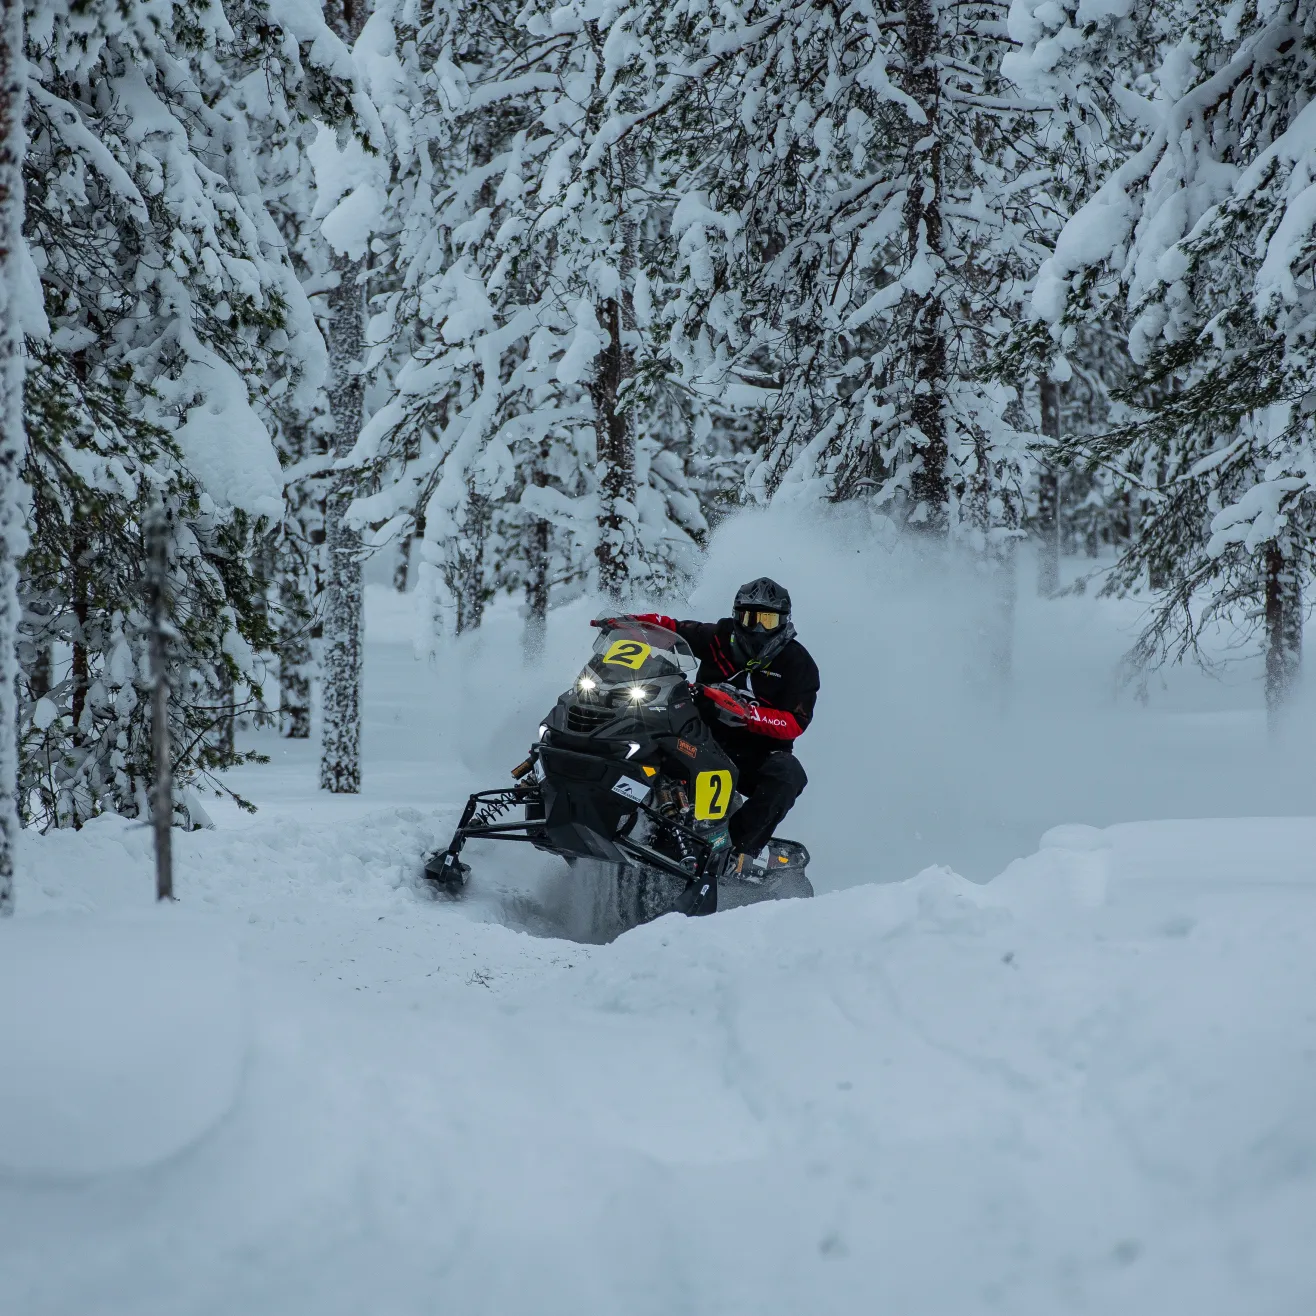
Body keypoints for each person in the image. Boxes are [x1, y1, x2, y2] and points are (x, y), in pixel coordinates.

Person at [630, 577, 820, 873]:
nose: (758, 628)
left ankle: (736, 850)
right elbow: (672, 629)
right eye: (749, 618)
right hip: (698, 737)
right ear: (736, 616)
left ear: (783, 621)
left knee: (789, 775)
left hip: (754, 755)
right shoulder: (718, 637)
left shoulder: (798, 663)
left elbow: (795, 723)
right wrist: (630, 625)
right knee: (645, 716)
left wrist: (747, 714)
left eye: (767, 620)